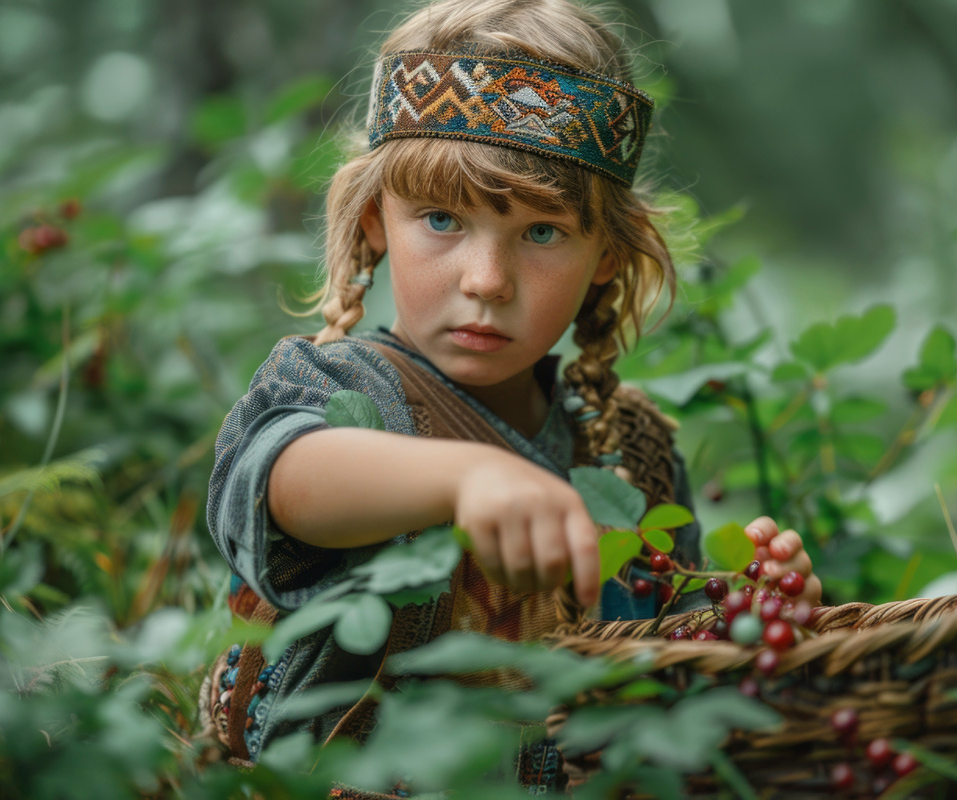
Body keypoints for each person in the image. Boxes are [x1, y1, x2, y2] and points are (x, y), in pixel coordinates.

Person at [203, 0, 821, 784]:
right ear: (371, 223)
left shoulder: (633, 454)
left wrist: (752, 618)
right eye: (440, 219)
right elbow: (286, 482)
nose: (487, 281)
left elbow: (664, 661)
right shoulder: (337, 386)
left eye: (542, 233)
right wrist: (469, 477)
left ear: (606, 254)